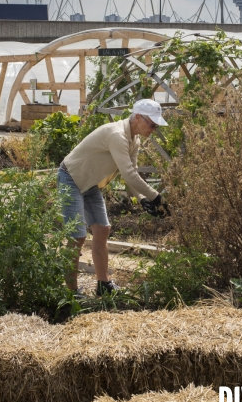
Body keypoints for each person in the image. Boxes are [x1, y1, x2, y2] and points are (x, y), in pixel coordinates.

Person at [58, 99, 167, 296]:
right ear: (138, 117)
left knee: (102, 229)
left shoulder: (135, 140)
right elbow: (129, 175)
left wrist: (143, 200)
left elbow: (131, 172)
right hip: (71, 178)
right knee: (77, 235)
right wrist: (156, 197)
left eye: (156, 125)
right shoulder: (117, 135)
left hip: (91, 182)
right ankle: (71, 292)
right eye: (152, 123)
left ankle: (103, 285)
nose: (154, 128)